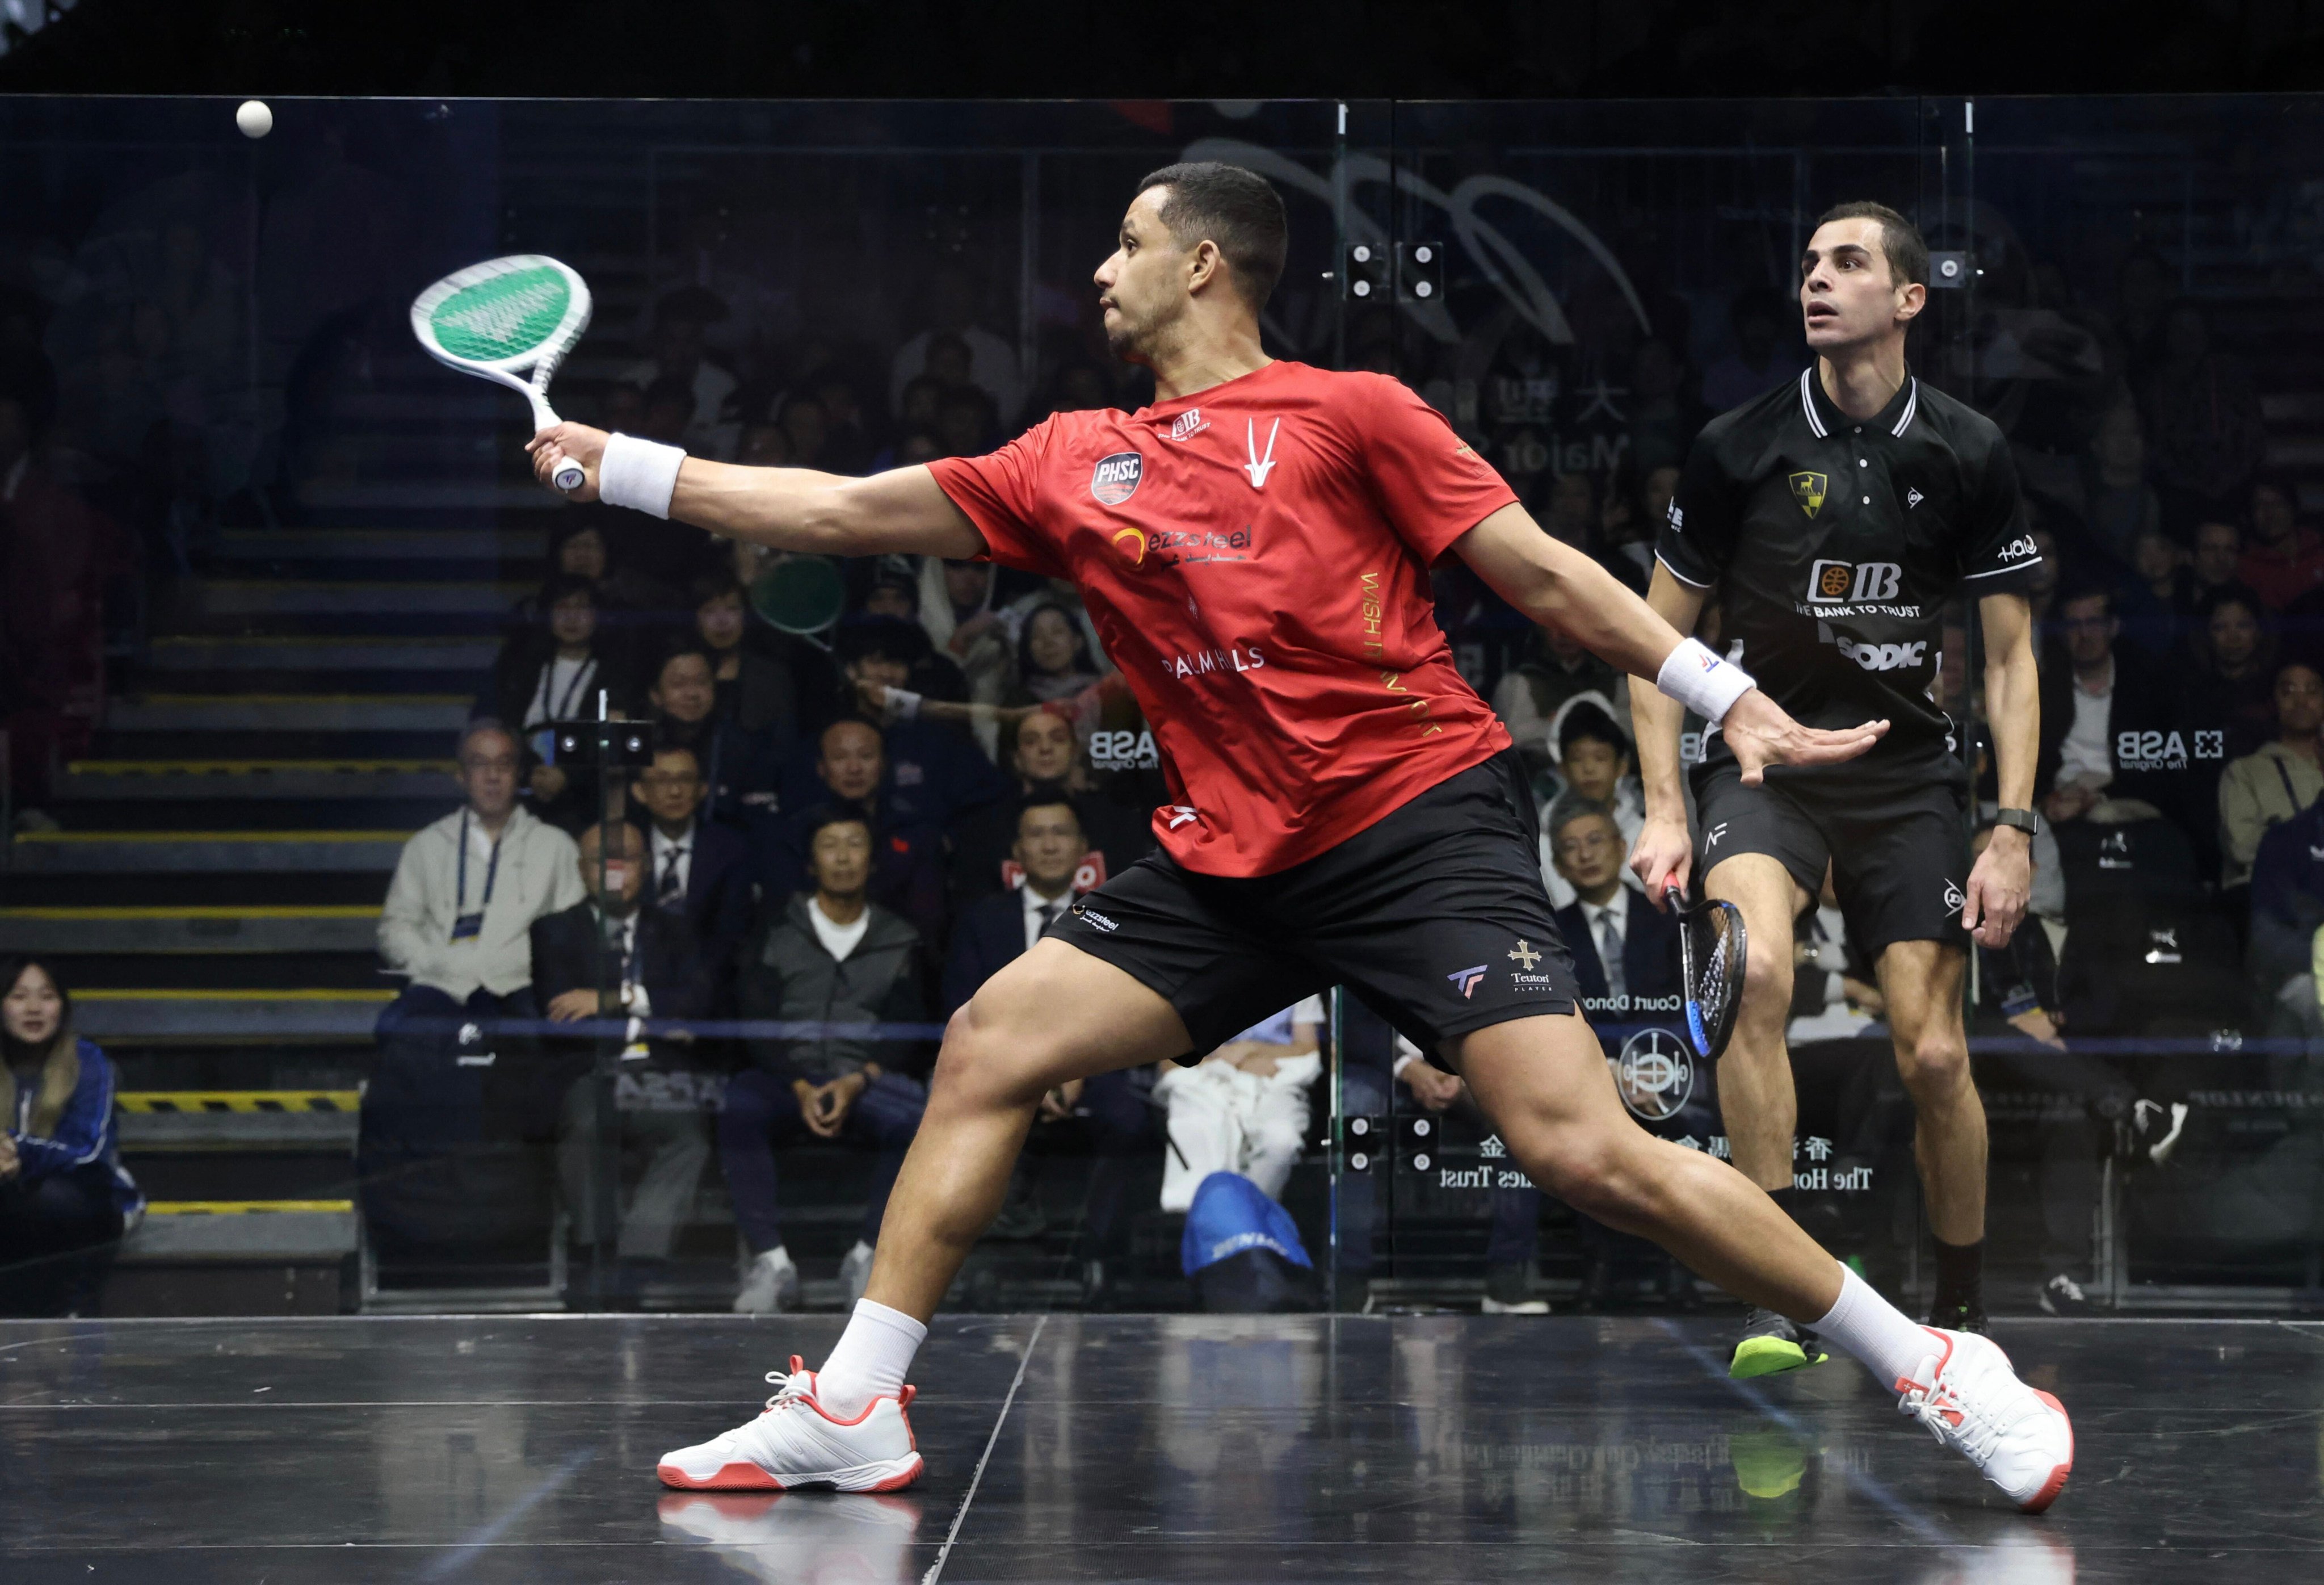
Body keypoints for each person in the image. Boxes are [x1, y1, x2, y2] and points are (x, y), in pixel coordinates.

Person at [533, 161, 2070, 1511]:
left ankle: (1925, 1363)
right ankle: (856, 1409)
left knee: (1578, 1150)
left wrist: (1723, 696)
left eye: (1126, 241)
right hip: (1227, 860)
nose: (1098, 270)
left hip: (1412, 825)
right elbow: (838, 515)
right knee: (993, 1039)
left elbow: (1541, 577)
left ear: (1202, 262)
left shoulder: (1352, 416)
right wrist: (618, 465)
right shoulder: (1071, 461)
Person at [1630, 203, 2046, 1370]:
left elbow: (2010, 659)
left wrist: (2008, 828)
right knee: (1755, 973)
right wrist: (1666, 802)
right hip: (1765, 765)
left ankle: (1958, 1314)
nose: (1816, 280)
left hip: (1910, 776)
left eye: (1847, 264)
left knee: (1932, 1056)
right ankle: (1779, 1296)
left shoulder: (1966, 450)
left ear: (1908, 301)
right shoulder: (1735, 446)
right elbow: (1652, 644)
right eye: (1808, 262)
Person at [724, 809, 931, 1315]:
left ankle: (867, 1259)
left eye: (855, 844)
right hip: (786, 1076)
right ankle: (772, 1262)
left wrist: (858, 1080)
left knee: (915, 1119)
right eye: (830, 845)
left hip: (864, 1078)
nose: (842, 857)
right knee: (739, 1108)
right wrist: (796, 1082)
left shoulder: (900, 937)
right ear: (812, 862)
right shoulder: (775, 930)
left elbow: (909, 1028)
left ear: (872, 859)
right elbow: (755, 1017)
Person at [536, 822, 715, 1264]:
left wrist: (612, 1000)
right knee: (586, 1126)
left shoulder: (677, 929)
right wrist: (650, 1017)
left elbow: (698, 1002)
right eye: (601, 858)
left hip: (661, 1073)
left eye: (628, 858)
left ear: (648, 866)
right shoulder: (553, 931)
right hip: (589, 1071)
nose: (614, 869)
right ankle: (594, 1255)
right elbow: (563, 1020)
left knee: (688, 1138)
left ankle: (636, 1262)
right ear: (581, 869)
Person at [374, 721, 582, 1074]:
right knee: (398, 1034)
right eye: (479, 764)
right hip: (441, 985)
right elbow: (395, 927)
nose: (492, 776)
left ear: (518, 775)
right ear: (461, 776)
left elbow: (575, 933)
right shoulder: (427, 845)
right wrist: (433, 963)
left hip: (521, 990)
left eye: (503, 765)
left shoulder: (555, 846)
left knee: (541, 1053)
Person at [0, 958, 141, 1316]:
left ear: (62, 1007)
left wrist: (17, 1150)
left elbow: (89, 1154)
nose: (34, 1008)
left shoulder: (88, 1061)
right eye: (19, 997)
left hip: (86, 1202)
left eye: (46, 997)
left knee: (50, 1199)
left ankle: (71, 1317)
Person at [1152, 997, 1324, 1211]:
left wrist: (1252, 1050)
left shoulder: (1303, 975)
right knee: (1200, 1131)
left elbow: (1308, 1048)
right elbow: (1168, 1058)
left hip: (1272, 1078)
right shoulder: (1193, 972)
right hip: (1204, 1078)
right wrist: (1221, 1062)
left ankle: (1248, 1220)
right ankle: (1210, 1221)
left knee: (1280, 1138)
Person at [629, 743, 753, 1001]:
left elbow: (732, 934)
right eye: (662, 781)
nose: (675, 791)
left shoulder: (730, 849)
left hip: (711, 991)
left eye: (685, 780)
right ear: (639, 791)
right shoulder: (624, 845)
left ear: (703, 789)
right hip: (632, 982)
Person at [2217, 661, 2324, 892]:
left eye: (2312, 691)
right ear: (2273, 704)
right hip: (2274, 900)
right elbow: (2241, 845)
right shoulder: (2245, 771)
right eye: (2288, 692)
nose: (2301, 701)